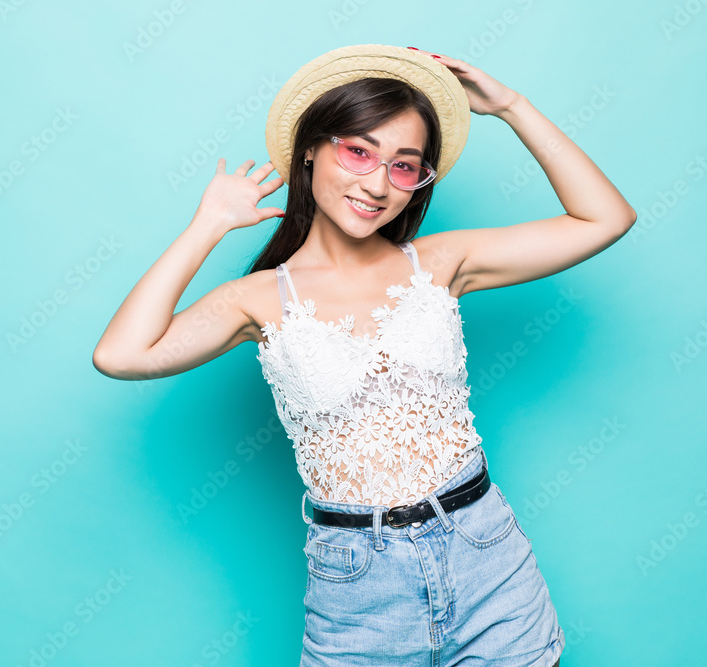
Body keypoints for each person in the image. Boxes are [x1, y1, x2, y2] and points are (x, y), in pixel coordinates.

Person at [93, 44, 635, 666]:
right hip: (358, 586)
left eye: (405, 166)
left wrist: (511, 107)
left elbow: (605, 218)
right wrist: (206, 227)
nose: (377, 184)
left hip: (486, 556)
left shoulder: (440, 263)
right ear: (310, 149)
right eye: (358, 151)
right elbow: (121, 354)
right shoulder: (257, 300)